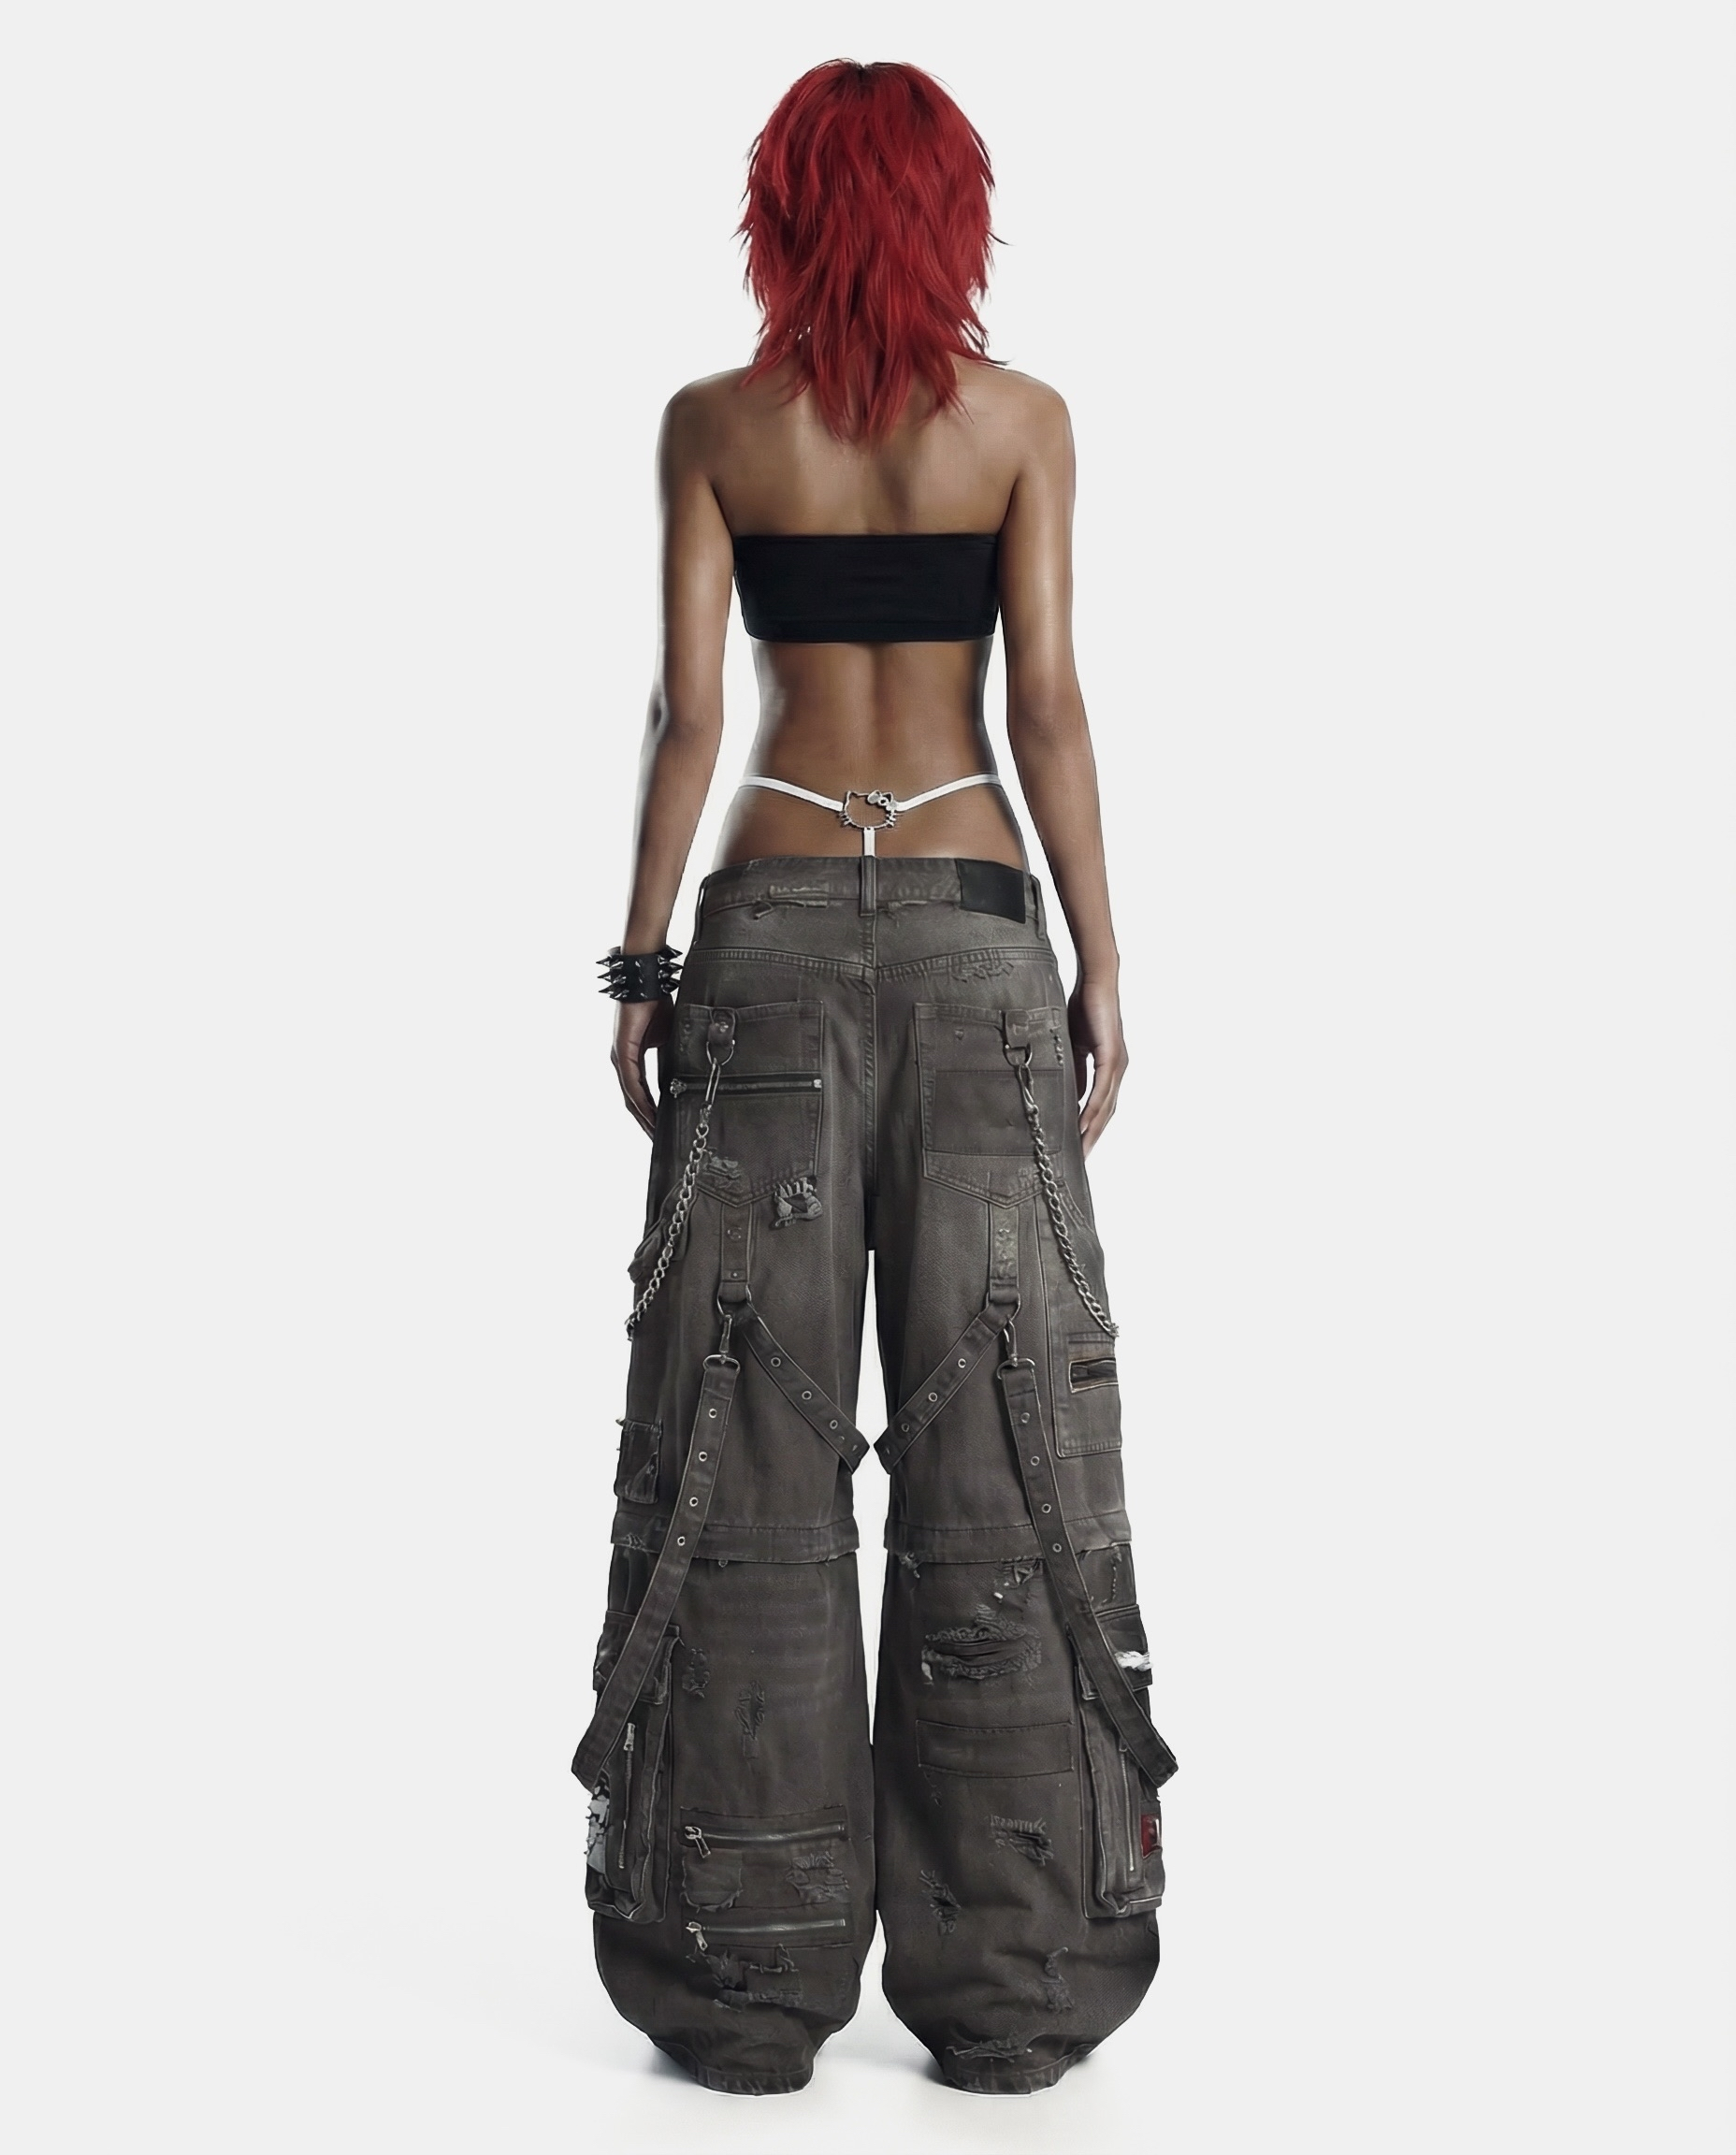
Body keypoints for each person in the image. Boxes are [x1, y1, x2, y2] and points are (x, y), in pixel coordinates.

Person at [572, 59, 1177, 2097]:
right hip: (976, 925)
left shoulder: (714, 425)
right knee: (1003, 1435)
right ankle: (1017, 1986)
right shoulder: (1019, 424)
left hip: (759, 927)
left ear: (782, 217)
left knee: (734, 1445)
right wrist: (1101, 960)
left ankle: (734, 1985)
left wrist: (643, 965)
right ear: (951, 214)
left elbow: (687, 714)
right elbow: (1048, 704)